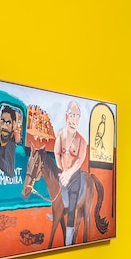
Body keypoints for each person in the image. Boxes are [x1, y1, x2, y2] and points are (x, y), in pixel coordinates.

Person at [54, 100, 88, 245]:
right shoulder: (61, 134)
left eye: (77, 116)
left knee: (72, 205)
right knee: (55, 194)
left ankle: (68, 237)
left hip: (74, 177)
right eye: (72, 115)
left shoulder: (82, 140)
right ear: (66, 116)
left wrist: (68, 174)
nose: (74, 119)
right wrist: (62, 171)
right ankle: (55, 213)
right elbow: (56, 153)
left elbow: (80, 160)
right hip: (62, 173)